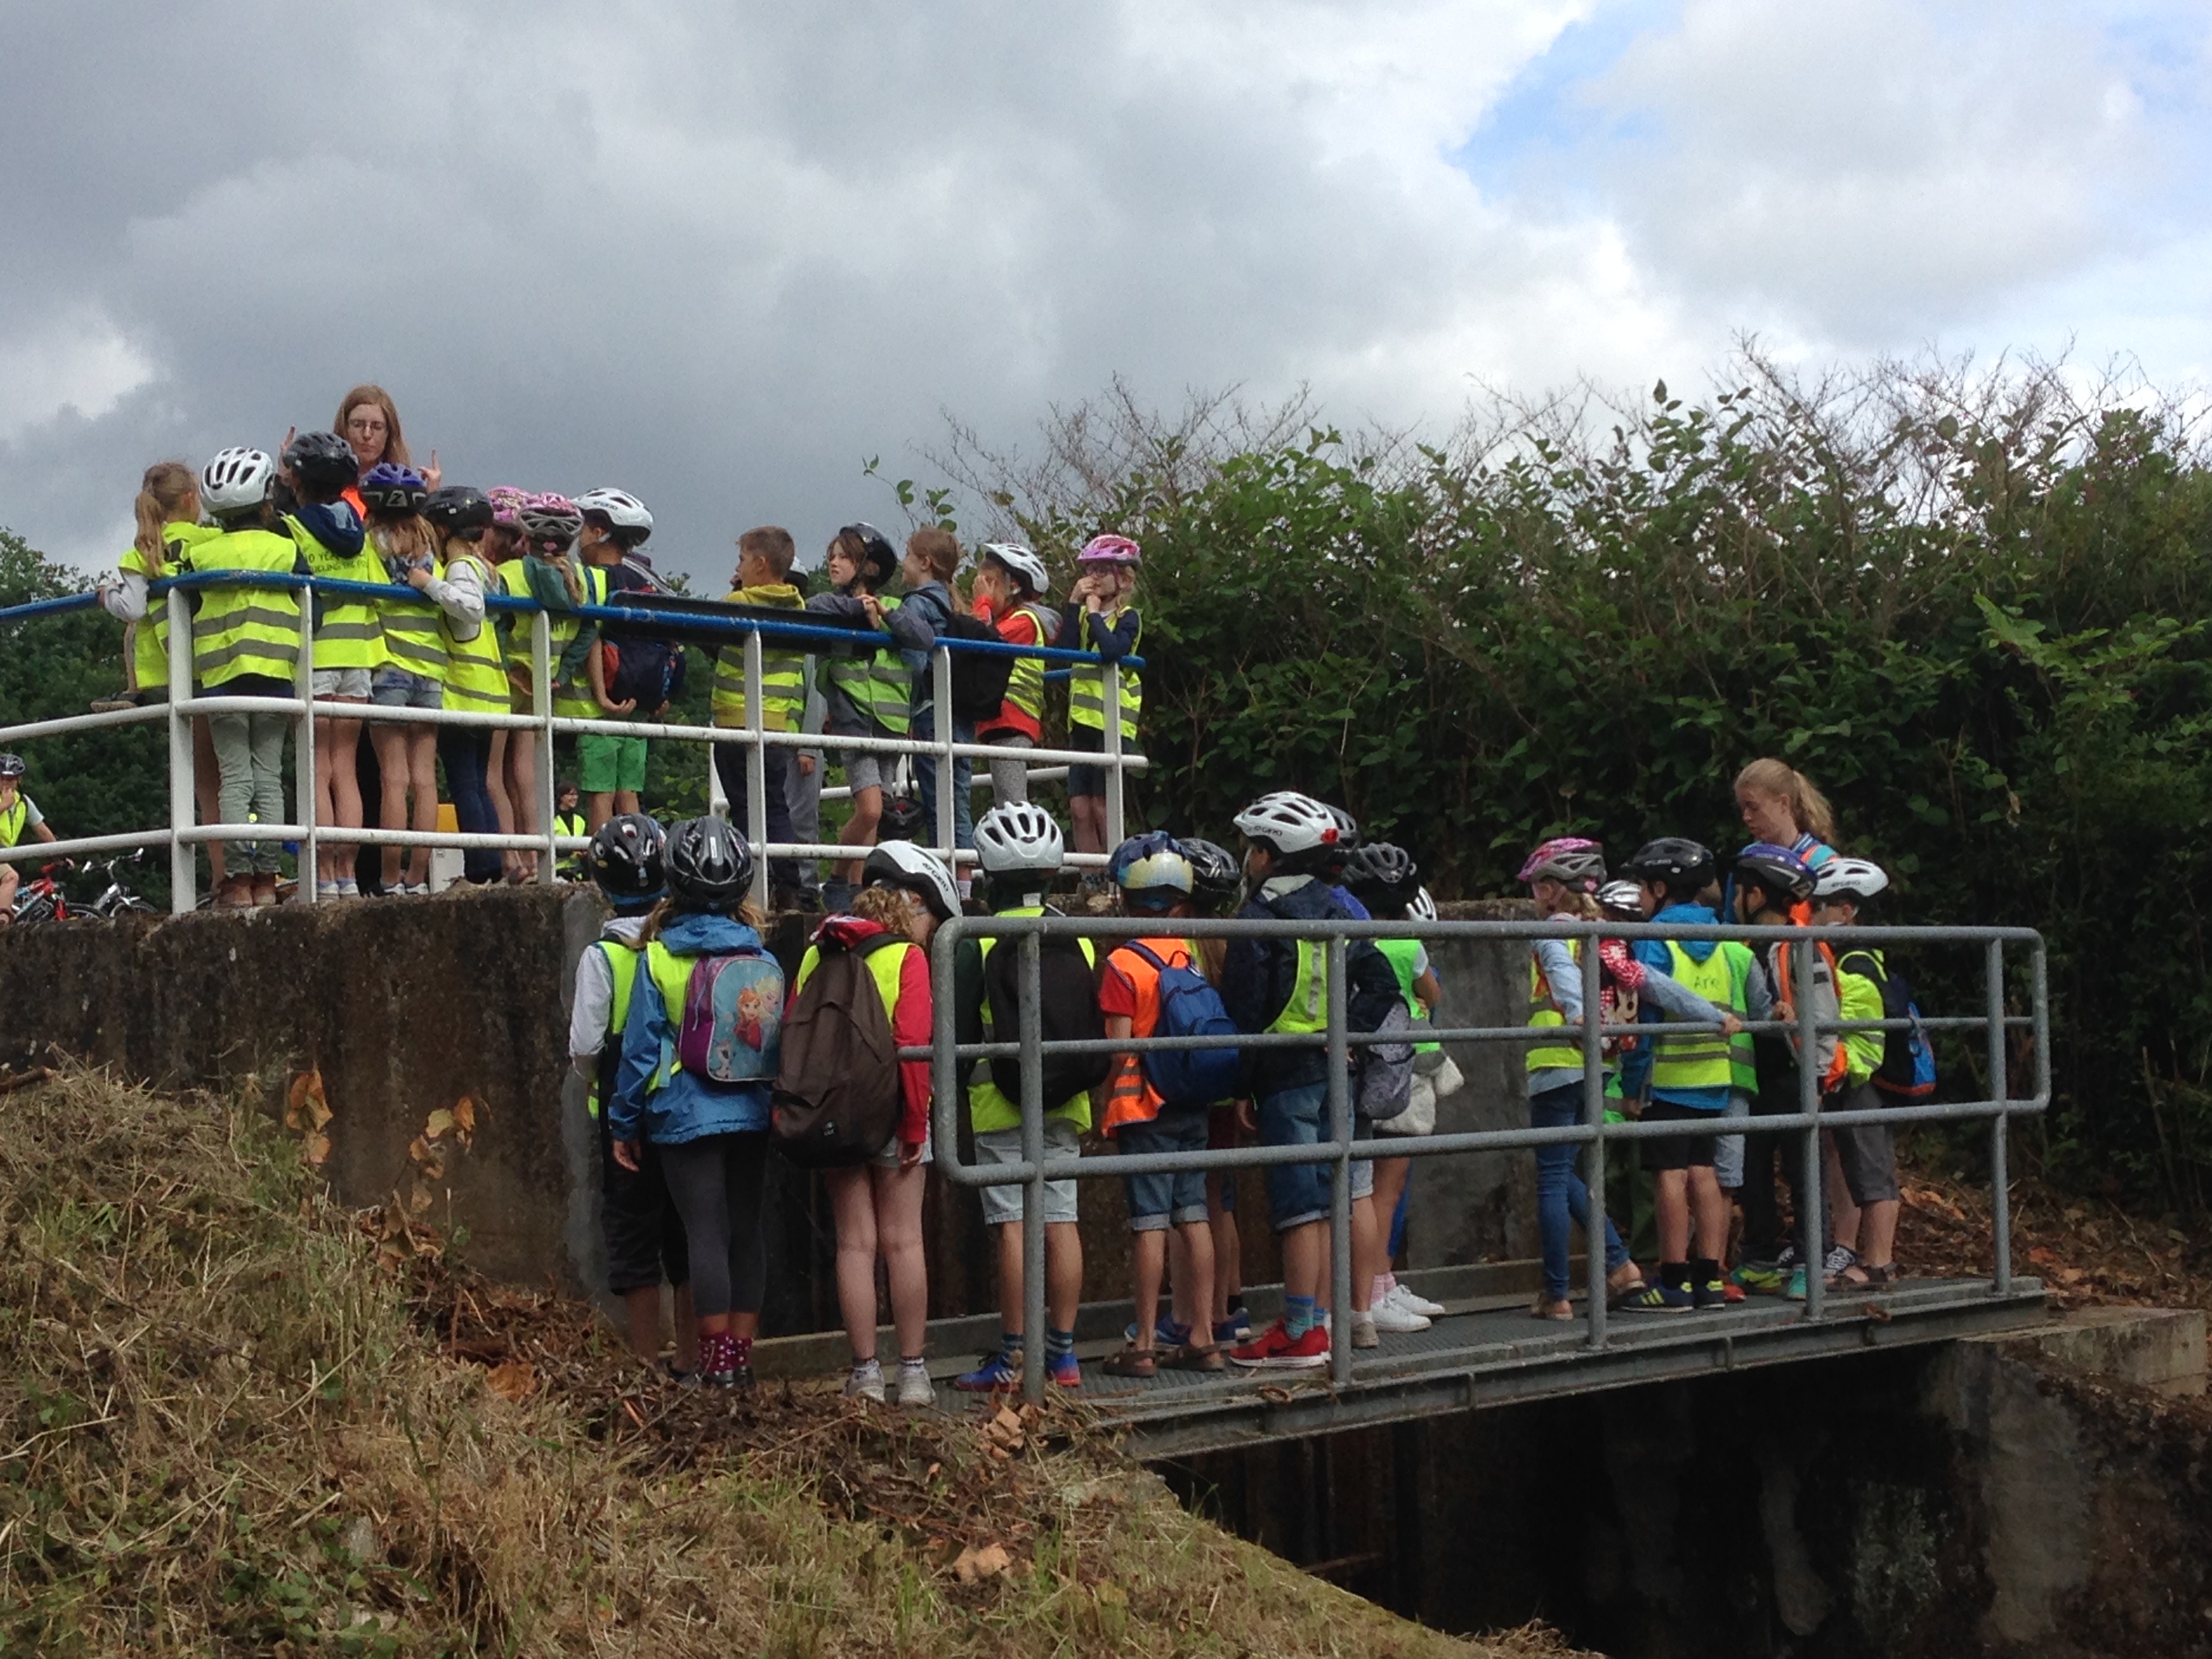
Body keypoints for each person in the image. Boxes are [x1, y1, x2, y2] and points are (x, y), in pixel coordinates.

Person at [1218, 792, 1399, 1369]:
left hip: (1283, 1076)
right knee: (1325, 1200)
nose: (1247, 859)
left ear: (1269, 859)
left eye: (1253, 850)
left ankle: (1300, 1332)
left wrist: (1241, 1086)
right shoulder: (1341, 911)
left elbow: (1245, 1011)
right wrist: (1349, 1036)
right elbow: (1382, 986)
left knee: (1298, 1206)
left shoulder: (1258, 919)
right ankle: (1319, 1323)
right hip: (1336, 1076)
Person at [610, 817, 783, 1391]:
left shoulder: (657, 959)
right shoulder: (766, 959)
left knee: (703, 1234)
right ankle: (740, 1359)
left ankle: (712, 1365)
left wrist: (622, 1122)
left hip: (683, 1116)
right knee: (747, 1232)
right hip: (753, 1113)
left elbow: (637, 1054)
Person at [800, 841, 954, 1406]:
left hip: (833, 1115)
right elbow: (914, 1049)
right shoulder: (905, 958)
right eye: (931, 919)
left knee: (855, 1244)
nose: (931, 931)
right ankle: (912, 1372)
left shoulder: (818, 950)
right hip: (892, 1113)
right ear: (914, 904)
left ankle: (864, 1374)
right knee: (903, 1240)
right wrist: (916, 1126)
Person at [951, 802, 1090, 1393]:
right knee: (1062, 1217)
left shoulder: (974, 940)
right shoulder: (1079, 938)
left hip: (999, 1102)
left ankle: (1012, 1358)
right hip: (1067, 1100)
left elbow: (957, 1034)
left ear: (987, 873)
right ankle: (1062, 1356)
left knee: (1012, 1223)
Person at [572, 815, 697, 1378]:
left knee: (633, 1236)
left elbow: (585, 1045)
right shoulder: (679, 946)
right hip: (685, 1110)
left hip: (621, 1122)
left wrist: (597, 1081)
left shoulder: (602, 959)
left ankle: (647, 1363)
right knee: (687, 1233)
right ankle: (693, 1360)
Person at [1097, 832, 1224, 1378]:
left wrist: (1104, 1105)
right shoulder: (1187, 952)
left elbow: (1119, 1049)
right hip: (1191, 1102)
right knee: (1193, 1216)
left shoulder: (1124, 963)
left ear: (1126, 896)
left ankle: (1144, 1342)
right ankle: (1203, 1334)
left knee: (1149, 1223)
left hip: (1142, 1108)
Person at [1615, 839, 1751, 1313]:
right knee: (1706, 1174)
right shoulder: (1721, 937)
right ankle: (1709, 1280)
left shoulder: (1654, 937)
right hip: (1715, 1075)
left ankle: (1672, 1280)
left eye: (1641, 888)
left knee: (1669, 1177)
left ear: (1659, 888)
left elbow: (1645, 1012)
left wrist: (1634, 1083)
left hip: (1668, 1076)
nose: (1639, 898)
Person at [1518, 838, 1646, 1320]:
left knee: (1552, 1177)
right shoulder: (1605, 931)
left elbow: (1559, 974)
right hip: (1600, 1065)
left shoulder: (1553, 929)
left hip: (1557, 1059)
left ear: (1552, 890)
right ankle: (1619, 1266)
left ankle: (1558, 1294)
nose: (1533, 898)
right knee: (1570, 1171)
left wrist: (1576, 1015)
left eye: (1535, 888)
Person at [96, 462, 226, 884]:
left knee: (206, 782)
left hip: (179, 674)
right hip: (223, 661)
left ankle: (224, 875)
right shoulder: (213, 541)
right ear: (192, 499)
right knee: (241, 773)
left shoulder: (143, 553)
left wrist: (106, 597)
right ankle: (252, 869)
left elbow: (131, 609)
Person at [189, 449, 304, 908]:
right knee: (269, 776)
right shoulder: (285, 549)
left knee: (235, 779)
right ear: (265, 502)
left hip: (222, 677)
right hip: (276, 675)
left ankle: (236, 880)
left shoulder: (201, 554)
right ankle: (267, 877)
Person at [1727, 842, 1841, 1298]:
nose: (1733, 901)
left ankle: (1812, 1259)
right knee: (1752, 1168)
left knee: (1801, 1169)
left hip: (1793, 1072)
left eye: (1740, 892)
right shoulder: (1743, 947)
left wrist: (1817, 1077)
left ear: (1756, 896)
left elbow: (1824, 1014)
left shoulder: (1798, 947)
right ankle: (1758, 1256)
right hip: (1754, 1074)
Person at [1347, 843, 1452, 1328]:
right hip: (1403, 1071)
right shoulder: (1410, 944)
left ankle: (1383, 1282)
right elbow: (1432, 994)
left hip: (1362, 1066)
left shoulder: (1350, 937)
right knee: (1386, 1190)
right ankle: (1372, 1292)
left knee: (1364, 1185)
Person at [281, 430, 382, 900]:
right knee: (346, 769)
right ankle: (348, 873)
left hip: (317, 656)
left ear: (299, 481)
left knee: (318, 767)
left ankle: (323, 872)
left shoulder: (293, 529)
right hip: (358, 656)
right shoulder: (360, 537)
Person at [362, 464, 470, 895]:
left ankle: (389, 877)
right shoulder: (430, 546)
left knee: (393, 779)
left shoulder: (373, 544)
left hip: (389, 664)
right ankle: (417, 877)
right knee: (424, 779)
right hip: (431, 668)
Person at [1811, 857, 1904, 1288]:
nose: (1815, 914)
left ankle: (1878, 1262)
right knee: (1858, 1165)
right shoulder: (1854, 958)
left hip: (1862, 1080)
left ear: (1846, 911)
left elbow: (1861, 1033)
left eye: (1823, 906)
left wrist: (1840, 1070)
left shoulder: (1857, 964)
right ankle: (1866, 1257)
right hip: (1854, 1078)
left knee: (1873, 1168)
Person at [807, 524, 907, 901]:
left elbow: (924, 637)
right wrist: (858, 609)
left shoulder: (895, 607)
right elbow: (815, 606)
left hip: (890, 724)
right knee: (869, 810)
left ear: (868, 567)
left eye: (844, 556)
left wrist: (886, 616)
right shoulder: (833, 606)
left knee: (875, 815)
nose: (833, 562)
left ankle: (855, 887)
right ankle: (836, 879)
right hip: (854, 721)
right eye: (831, 556)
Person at [1184, 834, 1256, 1343]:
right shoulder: (1233, 939)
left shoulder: (1181, 940)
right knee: (1223, 1200)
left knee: (1195, 1202)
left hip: (1192, 1085)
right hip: (1230, 1082)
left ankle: (1199, 1314)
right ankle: (1230, 1303)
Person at [712, 527, 807, 900]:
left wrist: (736, 591)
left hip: (736, 722)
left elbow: (714, 636)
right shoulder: (798, 607)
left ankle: (749, 886)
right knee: (775, 805)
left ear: (760, 564)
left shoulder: (740, 603)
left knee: (744, 808)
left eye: (742, 560)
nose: (738, 567)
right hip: (775, 725)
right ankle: (788, 884)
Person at [421, 487, 506, 884]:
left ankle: (479, 868)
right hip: (489, 693)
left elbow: (470, 608)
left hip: (463, 692)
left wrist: (426, 584)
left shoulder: (460, 567)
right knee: (479, 783)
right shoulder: (487, 568)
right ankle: (490, 864)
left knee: (465, 785)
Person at [880, 529, 972, 867]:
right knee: (958, 799)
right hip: (958, 714)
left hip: (932, 713)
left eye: (907, 554)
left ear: (925, 562)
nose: (903, 562)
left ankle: (947, 880)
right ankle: (965, 885)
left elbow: (916, 665)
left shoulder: (917, 603)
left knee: (938, 803)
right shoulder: (950, 602)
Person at [575, 489, 661, 832]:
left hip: (603, 706)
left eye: (582, 529)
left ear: (599, 533)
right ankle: (639, 861)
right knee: (629, 793)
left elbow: (594, 638)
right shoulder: (646, 582)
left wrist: (602, 696)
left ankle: (604, 868)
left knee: (601, 793)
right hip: (640, 703)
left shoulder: (595, 580)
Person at [1062, 535, 1143, 857]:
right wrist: (1073, 604)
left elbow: (1112, 651)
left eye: (1100, 570)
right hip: (1082, 720)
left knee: (1101, 805)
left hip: (1113, 721)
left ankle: (1114, 880)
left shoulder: (1129, 617)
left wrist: (1095, 614)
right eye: (1089, 570)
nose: (1092, 578)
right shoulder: (1084, 617)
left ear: (1122, 578)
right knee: (1079, 807)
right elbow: (1063, 653)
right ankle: (1091, 882)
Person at [970, 542, 1058, 806]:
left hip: (1014, 717)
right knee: (1005, 798)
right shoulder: (1008, 618)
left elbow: (982, 641)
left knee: (1012, 801)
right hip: (999, 720)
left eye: (990, 583)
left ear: (1014, 586)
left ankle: (1025, 843)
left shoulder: (1024, 621)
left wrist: (981, 603)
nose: (983, 590)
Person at [482, 488, 540, 882]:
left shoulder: (497, 575)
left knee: (492, 775)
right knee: (524, 775)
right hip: (534, 681)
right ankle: (536, 857)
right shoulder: (537, 575)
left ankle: (512, 859)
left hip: (502, 678)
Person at [331, 384, 440, 516]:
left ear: (389, 433)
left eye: (377, 427)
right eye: (358, 425)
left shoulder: (403, 493)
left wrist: (429, 500)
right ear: (345, 428)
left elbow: (413, 534)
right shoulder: (326, 488)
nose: (366, 434)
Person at [1735, 758, 1839, 875]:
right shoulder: (1747, 857)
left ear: (1784, 803)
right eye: (1743, 808)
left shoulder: (1823, 862)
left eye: (1754, 807)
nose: (1746, 817)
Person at [0, 754, 59, 923]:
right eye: (2, 778)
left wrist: (61, 852)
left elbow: (41, 829)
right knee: (10, 878)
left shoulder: (23, 802)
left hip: (4, 852)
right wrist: (4, 805)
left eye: (11, 779)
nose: (6, 783)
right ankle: (2, 927)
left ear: (19, 780)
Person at [553, 781, 587, 880]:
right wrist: (571, 851)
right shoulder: (551, 820)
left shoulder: (580, 820)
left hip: (577, 873)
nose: (575, 798)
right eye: (571, 794)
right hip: (556, 872)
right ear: (561, 797)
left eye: (576, 795)